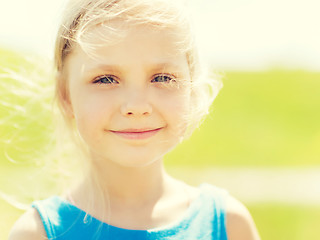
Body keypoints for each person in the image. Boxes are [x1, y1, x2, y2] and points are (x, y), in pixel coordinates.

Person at [9, 0, 260, 239]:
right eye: (106, 79)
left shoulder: (228, 225)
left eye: (162, 78)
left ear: (191, 88)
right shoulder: (37, 234)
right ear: (65, 96)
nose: (137, 107)